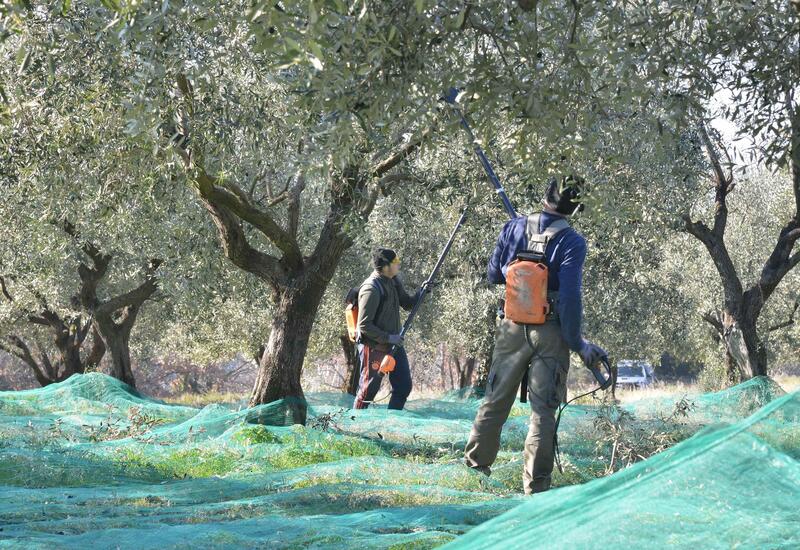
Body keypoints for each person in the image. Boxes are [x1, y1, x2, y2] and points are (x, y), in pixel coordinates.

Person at [464, 175, 607, 494]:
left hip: (511, 326)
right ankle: (537, 488)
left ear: (545, 195)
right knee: (543, 411)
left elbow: (492, 275)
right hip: (552, 331)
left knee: (495, 400)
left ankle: (475, 469)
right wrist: (577, 342)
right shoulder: (572, 241)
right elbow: (570, 296)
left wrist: (518, 262)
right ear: (576, 207)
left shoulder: (513, 227)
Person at [353, 248, 422, 410]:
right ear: (385, 267)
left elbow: (406, 303)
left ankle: (391, 422)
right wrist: (389, 338)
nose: (399, 265)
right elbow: (364, 326)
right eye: (395, 262)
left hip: (394, 345)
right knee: (368, 391)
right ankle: (353, 425)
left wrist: (420, 293)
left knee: (404, 386)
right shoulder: (371, 289)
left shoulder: (393, 281)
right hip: (374, 347)